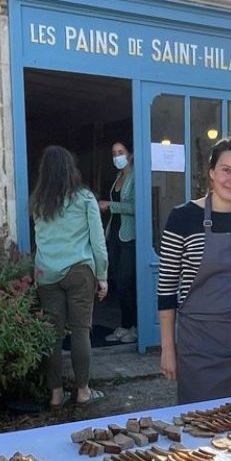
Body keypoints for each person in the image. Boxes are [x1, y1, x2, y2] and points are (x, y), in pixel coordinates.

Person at [158, 136, 231, 404]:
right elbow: (166, 290)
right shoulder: (183, 217)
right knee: (200, 423)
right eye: (226, 170)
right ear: (211, 172)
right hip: (200, 348)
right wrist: (168, 349)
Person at [31, 145, 108, 407]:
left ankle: (55, 394)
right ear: (70, 169)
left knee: (52, 335)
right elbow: (98, 241)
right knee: (80, 331)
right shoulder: (85, 198)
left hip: (47, 273)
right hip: (79, 271)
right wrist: (102, 275)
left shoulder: (38, 201)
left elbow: (40, 239)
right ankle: (83, 391)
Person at [100, 138, 138, 344]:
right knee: (119, 283)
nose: (117, 157)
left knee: (126, 281)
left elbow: (137, 207)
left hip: (129, 235)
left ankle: (135, 327)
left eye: (120, 152)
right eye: (114, 154)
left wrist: (110, 206)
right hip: (114, 233)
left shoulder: (135, 177)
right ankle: (124, 325)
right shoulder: (118, 177)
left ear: (129, 155)